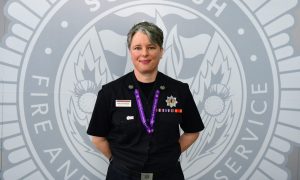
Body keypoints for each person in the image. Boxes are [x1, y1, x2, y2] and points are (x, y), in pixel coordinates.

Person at [87, 21, 205, 180]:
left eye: (151, 47)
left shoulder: (179, 90)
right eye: (137, 48)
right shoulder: (110, 92)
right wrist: (120, 161)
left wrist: (170, 155)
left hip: (168, 175)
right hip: (123, 175)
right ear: (130, 52)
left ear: (161, 51)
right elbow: (98, 137)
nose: (144, 54)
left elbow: (192, 131)